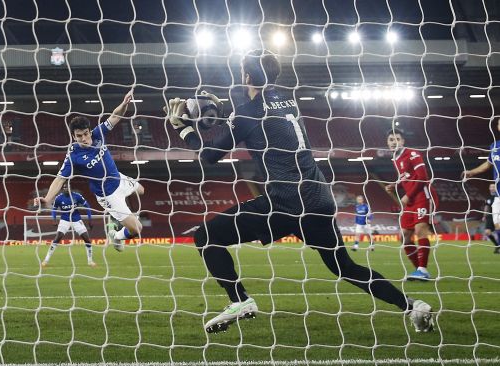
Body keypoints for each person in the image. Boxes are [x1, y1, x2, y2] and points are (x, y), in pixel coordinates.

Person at [164, 49, 434, 334]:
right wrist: (228, 114)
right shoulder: (288, 100)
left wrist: (182, 128)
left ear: (245, 76)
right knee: (345, 267)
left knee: (206, 236)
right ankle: (413, 306)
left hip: (284, 203)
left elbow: (209, 155)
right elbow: (261, 119)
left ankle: (240, 300)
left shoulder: (246, 113)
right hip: (318, 198)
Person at [34, 91, 144, 251]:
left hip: (119, 179)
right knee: (137, 229)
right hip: (108, 195)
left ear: (89, 131)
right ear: (74, 136)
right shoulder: (73, 155)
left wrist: (125, 103)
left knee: (141, 189)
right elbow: (59, 179)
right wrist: (48, 198)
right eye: (79, 136)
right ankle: (117, 236)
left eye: (86, 134)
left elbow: (115, 116)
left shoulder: (98, 134)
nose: (84, 138)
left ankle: (121, 226)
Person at [386, 129, 439, 281]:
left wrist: (407, 195)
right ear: (387, 143)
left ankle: (423, 270)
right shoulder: (395, 159)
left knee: (420, 229)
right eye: (391, 139)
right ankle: (419, 270)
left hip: (423, 195)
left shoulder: (413, 153)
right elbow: (407, 178)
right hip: (411, 200)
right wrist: (395, 185)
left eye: (397, 139)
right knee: (404, 236)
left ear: (403, 141)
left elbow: (422, 177)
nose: (394, 142)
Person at [464, 120, 500, 254]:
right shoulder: (495, 146)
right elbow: (487, 164)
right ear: (497, 127)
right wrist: (472, 172)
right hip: (498, 192)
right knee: (497, 223)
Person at [42, 186, 96, 267]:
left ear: (70, 188)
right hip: (65, 220)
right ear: (62, 189)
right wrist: (54, 219)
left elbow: (87, 206)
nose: (66, 189)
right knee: (57, 238)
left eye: (67, 187)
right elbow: (54, 209)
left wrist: (90, 219)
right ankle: (45, 260)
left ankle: (90, 261)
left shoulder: (77, 196)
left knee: (87, 239)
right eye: (64, 188)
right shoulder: (59, 198)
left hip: (77, 220)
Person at [482, 184, 500, 254]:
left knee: (498, 230)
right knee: (487, 232)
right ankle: (497, 245)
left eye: (494, 187)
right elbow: (486, 207)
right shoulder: (488, 198)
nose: (492, 188)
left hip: (498, 215)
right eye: (491, 187)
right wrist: (484, 215)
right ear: (489, 188)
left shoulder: (498, 196)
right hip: (490, 216)